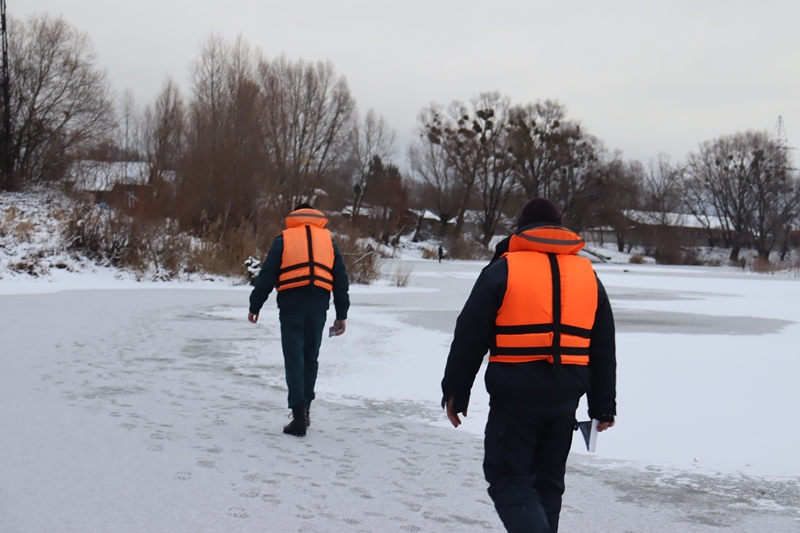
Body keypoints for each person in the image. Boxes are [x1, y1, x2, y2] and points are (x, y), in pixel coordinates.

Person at [441, 198, 616, 533]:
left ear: (520, 229)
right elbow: (603, 344)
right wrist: (603, 406)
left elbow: (469, 335)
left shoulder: (504, 269)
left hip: (515, 401)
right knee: (547, 485)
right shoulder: (586, 274)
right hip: (564, 400)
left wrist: (456, 392)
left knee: (509, 478)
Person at [248, 203, 350, 437]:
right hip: (317, 309)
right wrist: (341, 314)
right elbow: (341, 281)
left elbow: (267, 276)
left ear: (294, 217)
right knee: (310, 359)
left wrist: (255, 305)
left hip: (291, 308)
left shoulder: (283, 240)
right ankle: (306, 408)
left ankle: (299, 416)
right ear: (317, 218)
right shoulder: (329, 243)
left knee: (294, 360)